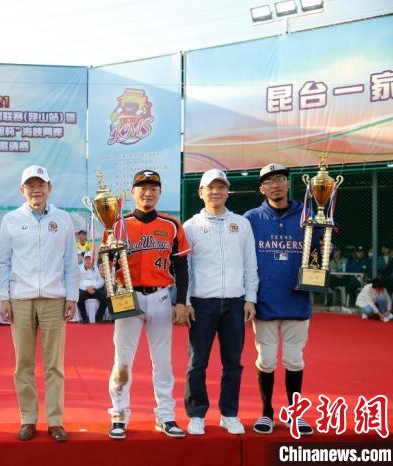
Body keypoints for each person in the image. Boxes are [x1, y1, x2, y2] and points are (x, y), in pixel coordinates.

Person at [0, 165, 79, 442]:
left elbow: (70, 261)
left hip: (54, 300)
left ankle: (55, 421)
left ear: (49, 188)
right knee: (23, 364)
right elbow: (3, 262)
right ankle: (28, 419)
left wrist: (72, 295)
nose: (36, 190)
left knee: (55, 365)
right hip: (21, 299)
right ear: (22, 190)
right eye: (30, 185)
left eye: (40, 184)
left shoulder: (63, 219)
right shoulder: (11, 220)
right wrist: (4, 296)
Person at [106, 169, 190, 440]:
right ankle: (119, 414)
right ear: (133, 193)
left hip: (161, 297)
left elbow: (181, 267)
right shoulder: (117, 225)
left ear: (160, 192)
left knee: (162, 362)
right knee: (122, 361)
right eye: (142, 188)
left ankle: (165, 415)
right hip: (127, 298)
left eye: (153, 188)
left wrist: (181, 301)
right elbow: (107, 265)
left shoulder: (172, 225)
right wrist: (105, 269)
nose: (148, 193)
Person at [244, 163, 318, 436]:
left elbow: (319, 253)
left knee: (294, 360)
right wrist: (248, 297)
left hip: (297, 301)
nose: (275, 185)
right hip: (264, 301)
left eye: (279, 179)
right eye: (268, 181)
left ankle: (295, 414)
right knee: (265, 360)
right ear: (261, 188)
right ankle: (266, 413)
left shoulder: (309, 215)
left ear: (288, 183)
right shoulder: (251, 218)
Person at [182, 169, 258, 436]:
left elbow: (250, 263)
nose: (216, 192)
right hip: (202, 303)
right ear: (201, 193)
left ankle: (229, 414)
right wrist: (186, 301)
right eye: (210, 187)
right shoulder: (190, 226)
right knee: (197, 362)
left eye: (221, 187)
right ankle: (196, 414)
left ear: (227, 191)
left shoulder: (241, 224)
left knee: (233, 363)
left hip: (235, 303)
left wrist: (250, 298)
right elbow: (185, 268)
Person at [76, 252, 107, 323]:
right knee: (79, 298)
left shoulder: (97, 268)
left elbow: (101, 280)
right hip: (84, 290)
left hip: (95, 289)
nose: (88, 261)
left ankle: (99, 317)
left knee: (104, 298)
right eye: (86, 259)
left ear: (92, 260)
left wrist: (94, 286)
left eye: (89, 259)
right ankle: (84, 318)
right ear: (84, 260)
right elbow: (78, 281)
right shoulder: (79, 268)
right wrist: (86, 288)